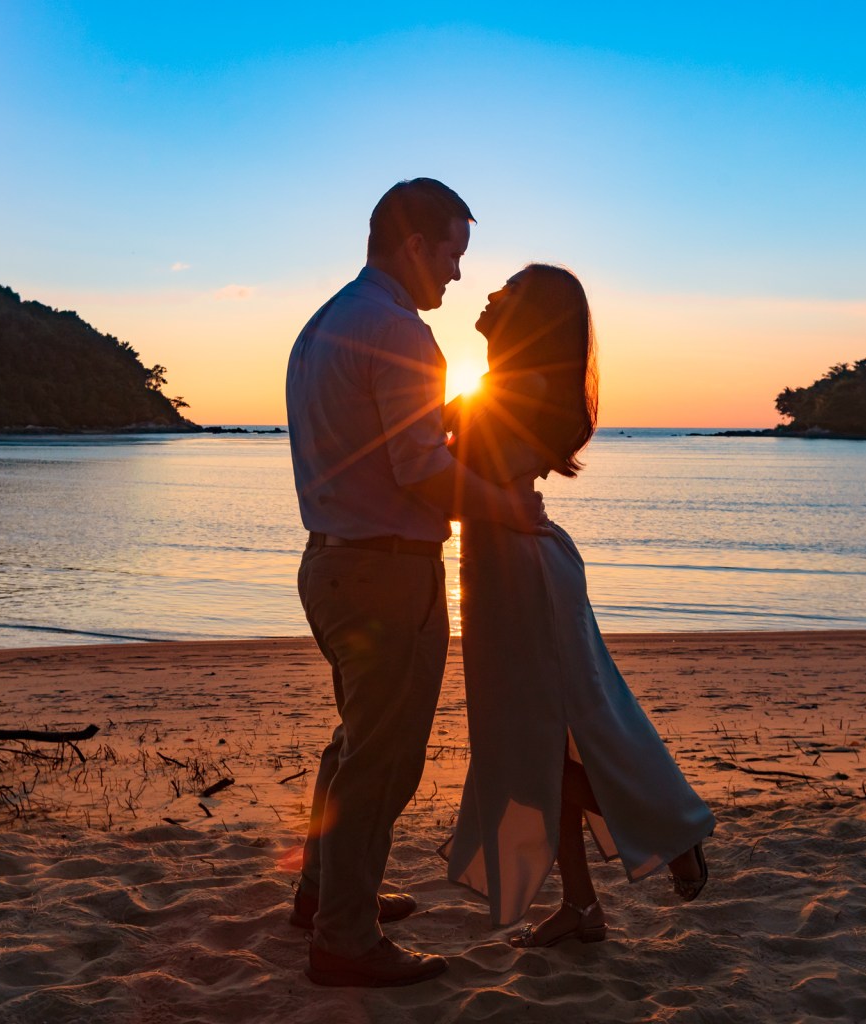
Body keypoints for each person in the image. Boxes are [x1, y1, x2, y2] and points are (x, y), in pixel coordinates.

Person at [284, 178, 546, 986]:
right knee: (385, 762)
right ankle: (345, 938)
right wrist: (506, 507)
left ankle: (325, 892)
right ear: (412, 246)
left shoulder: (324, 324)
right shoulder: (399, 334)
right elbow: (420, 470)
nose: (457, 277)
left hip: (330, 565)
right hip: (385, 572)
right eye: (451, 255)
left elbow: (387, 449)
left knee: (355, 743)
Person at [441, 264, 716, 947]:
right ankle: (582, 906)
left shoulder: (521, 389)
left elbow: (458, 482)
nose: (490, 295)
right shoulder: (503, 386)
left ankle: (671, 834)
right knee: (531, 743)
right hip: (502, 572)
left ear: (531, 315)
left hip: (524, 575)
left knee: (542, 741)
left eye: (508, 291)